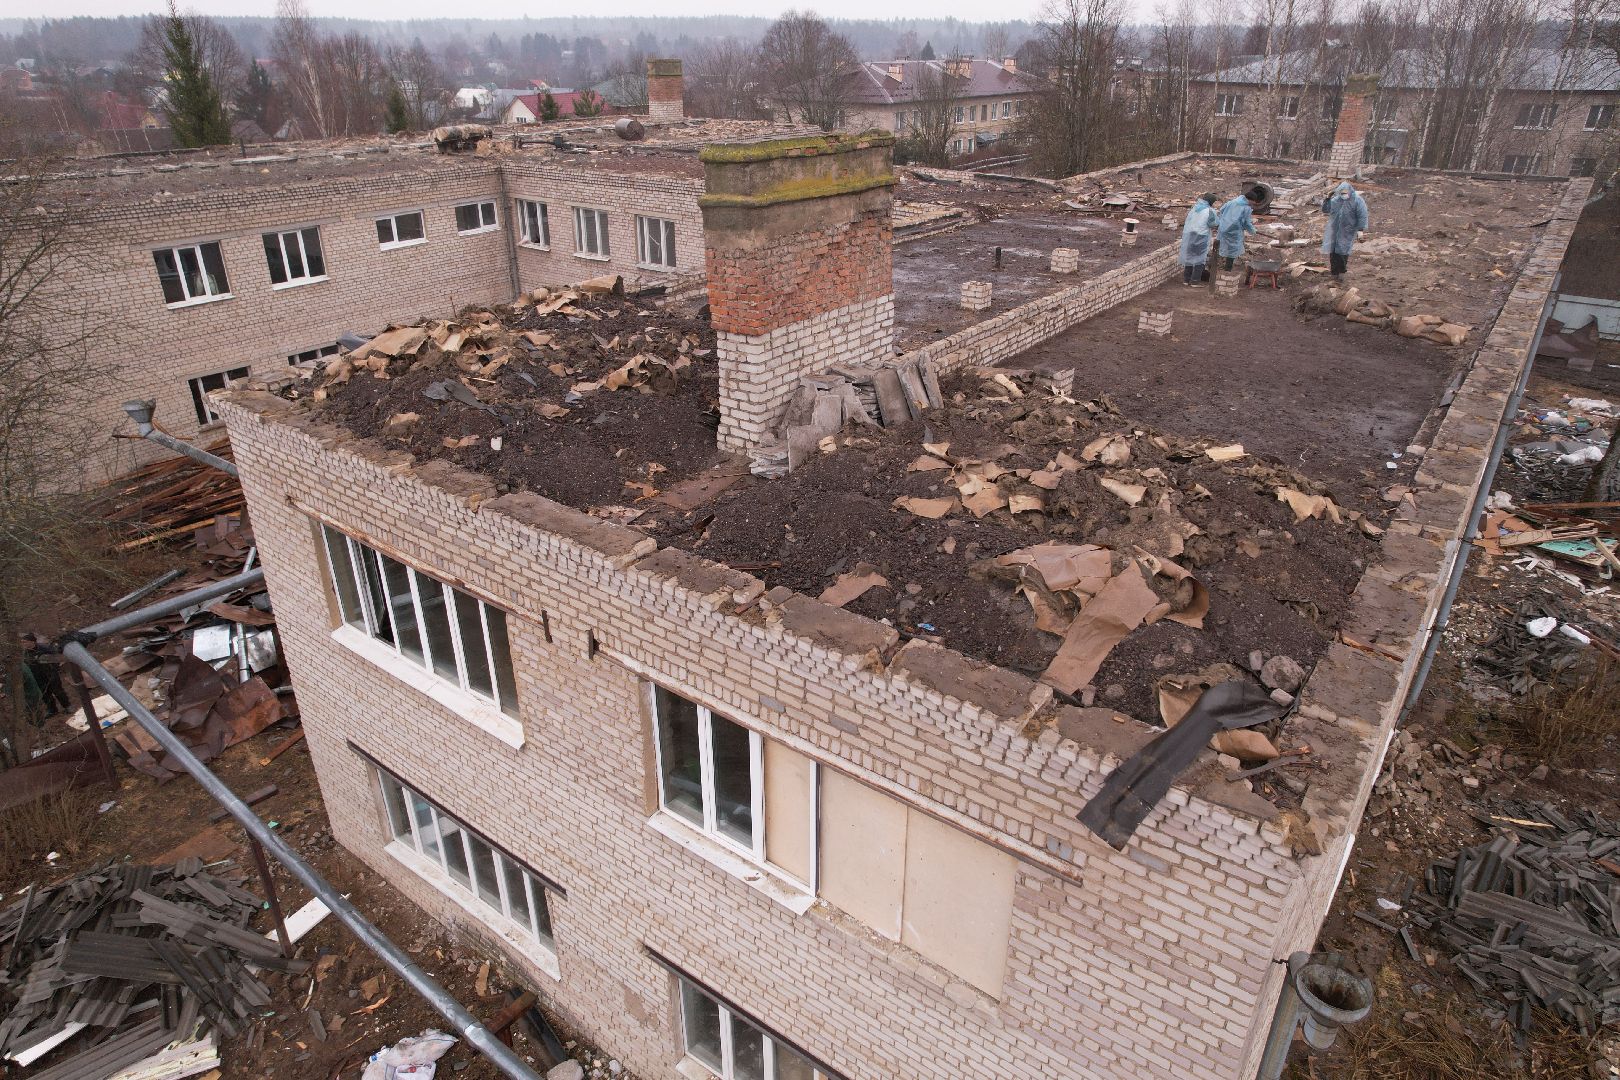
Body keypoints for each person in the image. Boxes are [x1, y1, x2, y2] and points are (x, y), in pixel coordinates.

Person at [1321, 181, 1370, 280]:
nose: (1343, 195)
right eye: (1342, 193)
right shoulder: (1336, 200)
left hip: (1348, 230)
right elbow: (1326, 210)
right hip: (1335, 229)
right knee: (1333, 251)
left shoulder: (1357, 201)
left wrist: (1360, 230)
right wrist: (1328, 198)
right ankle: (1334, 273)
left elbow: (1362, 216)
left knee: (1343, 251)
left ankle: (1342, 271)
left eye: (1345, 193)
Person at [20, 632, 71, 718]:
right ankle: (52, 710)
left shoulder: (44, 648)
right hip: (38, 677)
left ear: (32, 642)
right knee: (45, 694)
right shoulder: (25, 654)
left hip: (50, 673)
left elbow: (56, 658)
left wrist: (53, 668)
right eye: (22, 642)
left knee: (58, 691)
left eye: (25, 642)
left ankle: (67, 706)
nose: (23, 644)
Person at [1215, 187, 1262, 271]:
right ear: (1250, 199)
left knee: (1220, 247)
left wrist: (1225, 220)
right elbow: (1246, 223)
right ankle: (1227, 271)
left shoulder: (1232, 202)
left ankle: (1215, 267)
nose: (1254, 204)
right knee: (1231, 252)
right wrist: (1253, 230)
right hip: (1233, 232)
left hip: (1223, 229)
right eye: (1254, 202)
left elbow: (1221, 210)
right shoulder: (1246, 208)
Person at [1179, 192, 1219, 286]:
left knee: (1189, 257)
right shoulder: (1210, 211)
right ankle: (1195, 281)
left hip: (1190, 235)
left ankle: (1186, 280)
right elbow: (1212, 224)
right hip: (1201, 236)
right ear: (1211, 202)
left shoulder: (1195, 208)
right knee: (1200, 259)